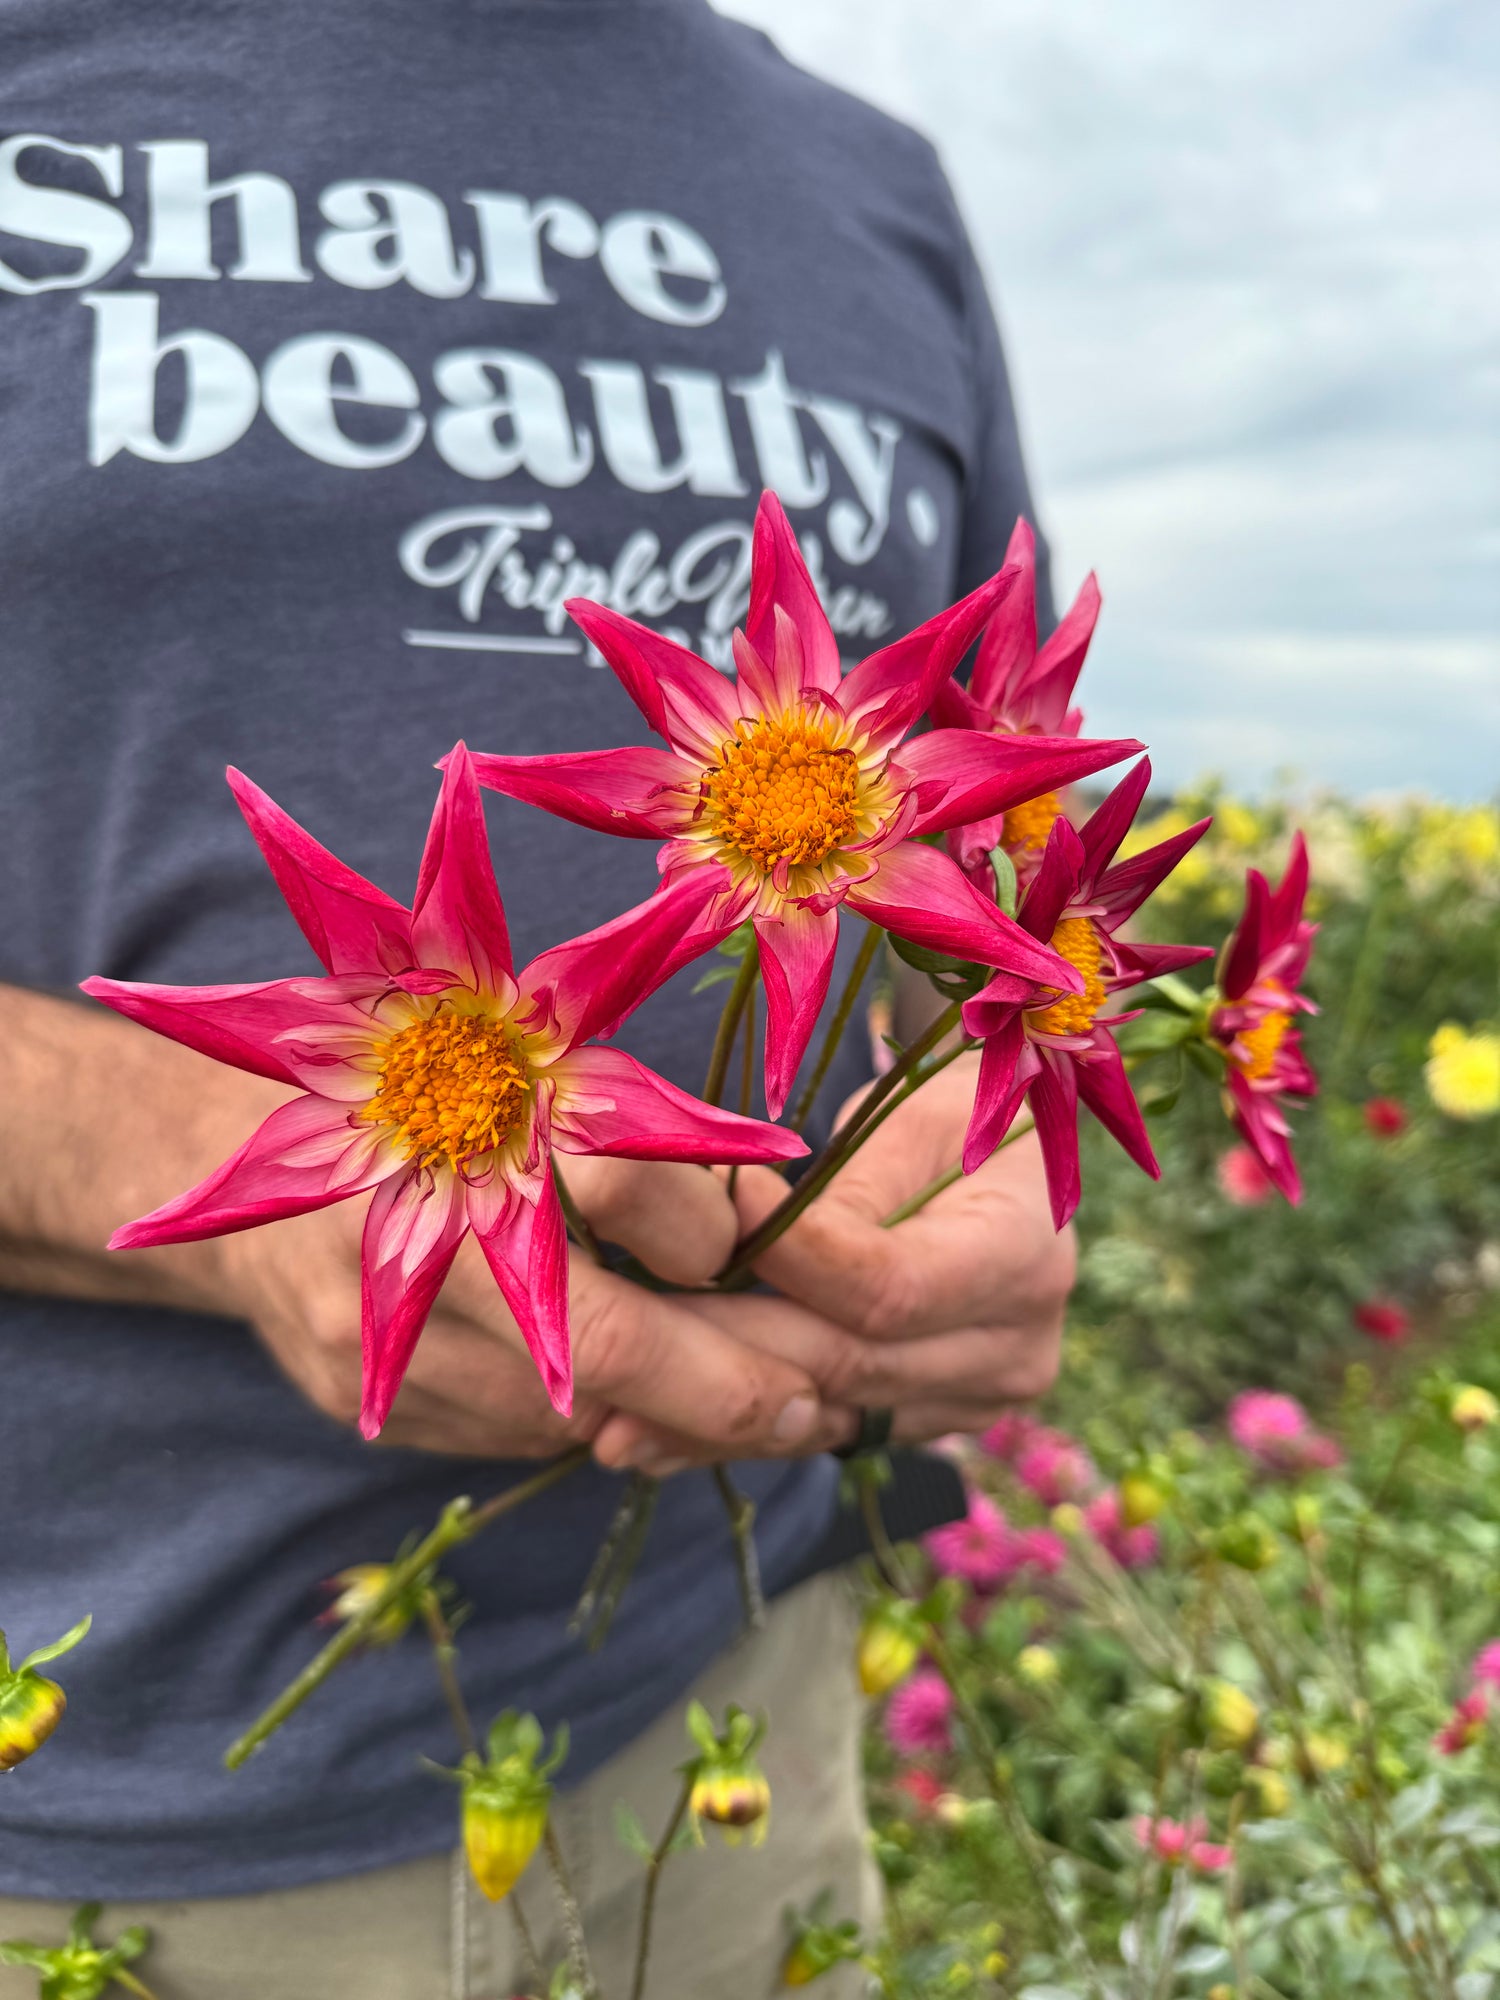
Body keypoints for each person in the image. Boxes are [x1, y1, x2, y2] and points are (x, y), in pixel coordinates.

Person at [0, 1, 1073, 1992]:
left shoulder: (876, 189)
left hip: (728, 1713)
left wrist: (985, 1145)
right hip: (94, 1788)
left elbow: (1000, 833)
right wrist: (206, 1182)